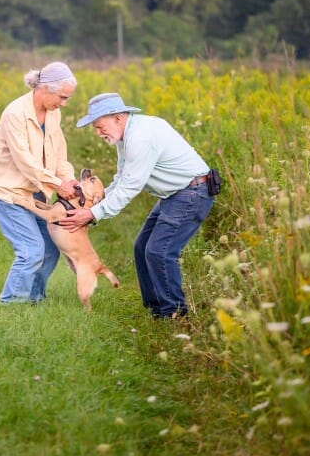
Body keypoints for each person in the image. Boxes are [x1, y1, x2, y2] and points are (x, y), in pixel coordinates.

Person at [58, 93, 215, 319]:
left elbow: (130, 186)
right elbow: (121, 179)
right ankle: (156, 309)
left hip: (191, 193)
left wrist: (93, 214)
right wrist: (94, 206)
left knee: (159, 251)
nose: (98, 132)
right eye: (95, 128)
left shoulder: (140, 137)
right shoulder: (127, 136)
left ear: (118, 118)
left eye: (100, 126)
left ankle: (174, 315)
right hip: (175, 194)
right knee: (142, 247)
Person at [0, 62, 81, 305]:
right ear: (45, 88)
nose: (64, 103)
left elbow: (59, 154)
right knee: (31, 250)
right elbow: (25, 161)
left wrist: (69, 180)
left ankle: (35, 301)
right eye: (63, 97)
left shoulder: (53, 113)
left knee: (49, 249)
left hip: (37, 192)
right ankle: (11, 305)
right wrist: (58, 185)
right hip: (8, 191)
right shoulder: (15, 113)